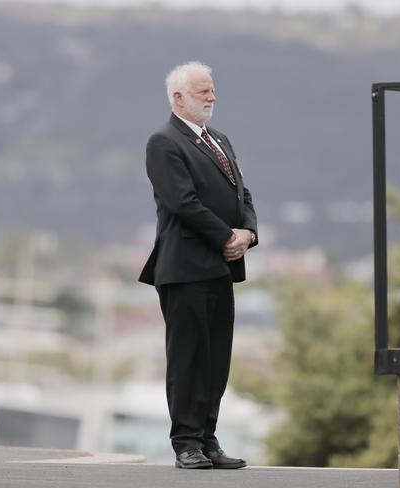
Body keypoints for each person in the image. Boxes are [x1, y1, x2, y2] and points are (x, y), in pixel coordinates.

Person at [138, 61, 258, 469]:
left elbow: (243, 193)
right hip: (186, 267)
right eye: (203, 91)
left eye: (212, 90)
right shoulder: (164, 142)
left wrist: (248, 233)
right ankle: (186, 442)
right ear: (178, 97)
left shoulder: (219, 139)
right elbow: (182, 203)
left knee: (216, 359)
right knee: (188, 357)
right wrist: (226, 238)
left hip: (220, 269)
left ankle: (208, 439)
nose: (212, 97)